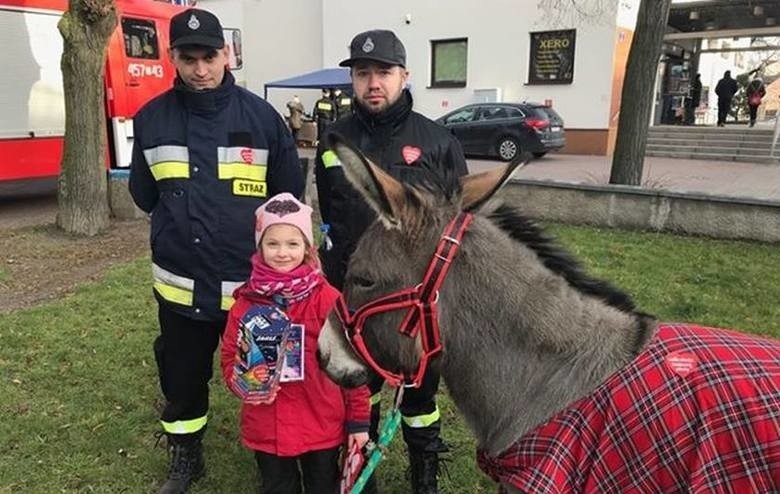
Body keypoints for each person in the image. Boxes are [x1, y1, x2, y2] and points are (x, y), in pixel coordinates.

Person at [128, 8, 304, 493]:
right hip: (181, 289)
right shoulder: (151, 119)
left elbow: (288, 203)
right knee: (182, 383)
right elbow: (144, 194)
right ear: (173, 58)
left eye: (210, 56)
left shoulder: (262, 118)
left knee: (266, 383)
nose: (200, 69)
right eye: (189, 58)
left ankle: (275, 463)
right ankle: (187, 459)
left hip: (251, 293)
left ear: (227, 55)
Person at [314, 29, 469, 494]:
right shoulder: (333, 138)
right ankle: (364, 474)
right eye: (363, 73)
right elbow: (331, 213)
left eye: (383, 72)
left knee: (421, 394)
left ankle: (425, 470)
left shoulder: (437, 141)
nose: (373, 82)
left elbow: (460, 225)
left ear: (405, 75)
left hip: (415, 301)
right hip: (357, 294)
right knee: (362, 393)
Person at [220, 192, 370, 493]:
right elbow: (228, 359)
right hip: (268, 426)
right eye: (272, 243)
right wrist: (243, 383)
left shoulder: (329, 300)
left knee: (322, 486)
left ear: (307, 247)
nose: (282, 253)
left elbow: (352, 368)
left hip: (322, 424)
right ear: (259, 246)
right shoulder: (245, 304)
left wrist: (358, 423)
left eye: (292, 243)